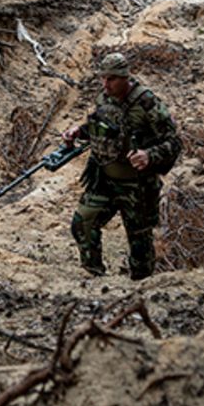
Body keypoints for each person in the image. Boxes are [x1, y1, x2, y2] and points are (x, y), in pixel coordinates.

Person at [61, 52, 181, 280]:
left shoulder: (147, 104)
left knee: (139, 242)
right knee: (82, 223)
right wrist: (79, 131)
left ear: (125, 77)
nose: (106, 84)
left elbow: (174, 142)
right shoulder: (104, 98)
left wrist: (150, 155)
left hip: (137, 186)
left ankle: (141, 286)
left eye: (112, 79)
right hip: (104, 179)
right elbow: (100, 126)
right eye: (103, 78)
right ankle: (95, 277)